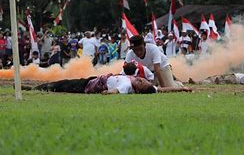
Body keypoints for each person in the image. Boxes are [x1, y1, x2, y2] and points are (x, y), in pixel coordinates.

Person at [23, 74, 192, 94]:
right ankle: (33, 88)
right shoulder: (149, 87)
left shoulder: (126, 87)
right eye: (142, 80)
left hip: (89, 86)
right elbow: (162, 89)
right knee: (61, 83)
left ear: (138, 90)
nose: (140, 80)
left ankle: (31, 89)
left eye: (140, 83)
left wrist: (107, 91)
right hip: (94, 79)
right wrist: (182, 88)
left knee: (60, 85)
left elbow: (114, 92)